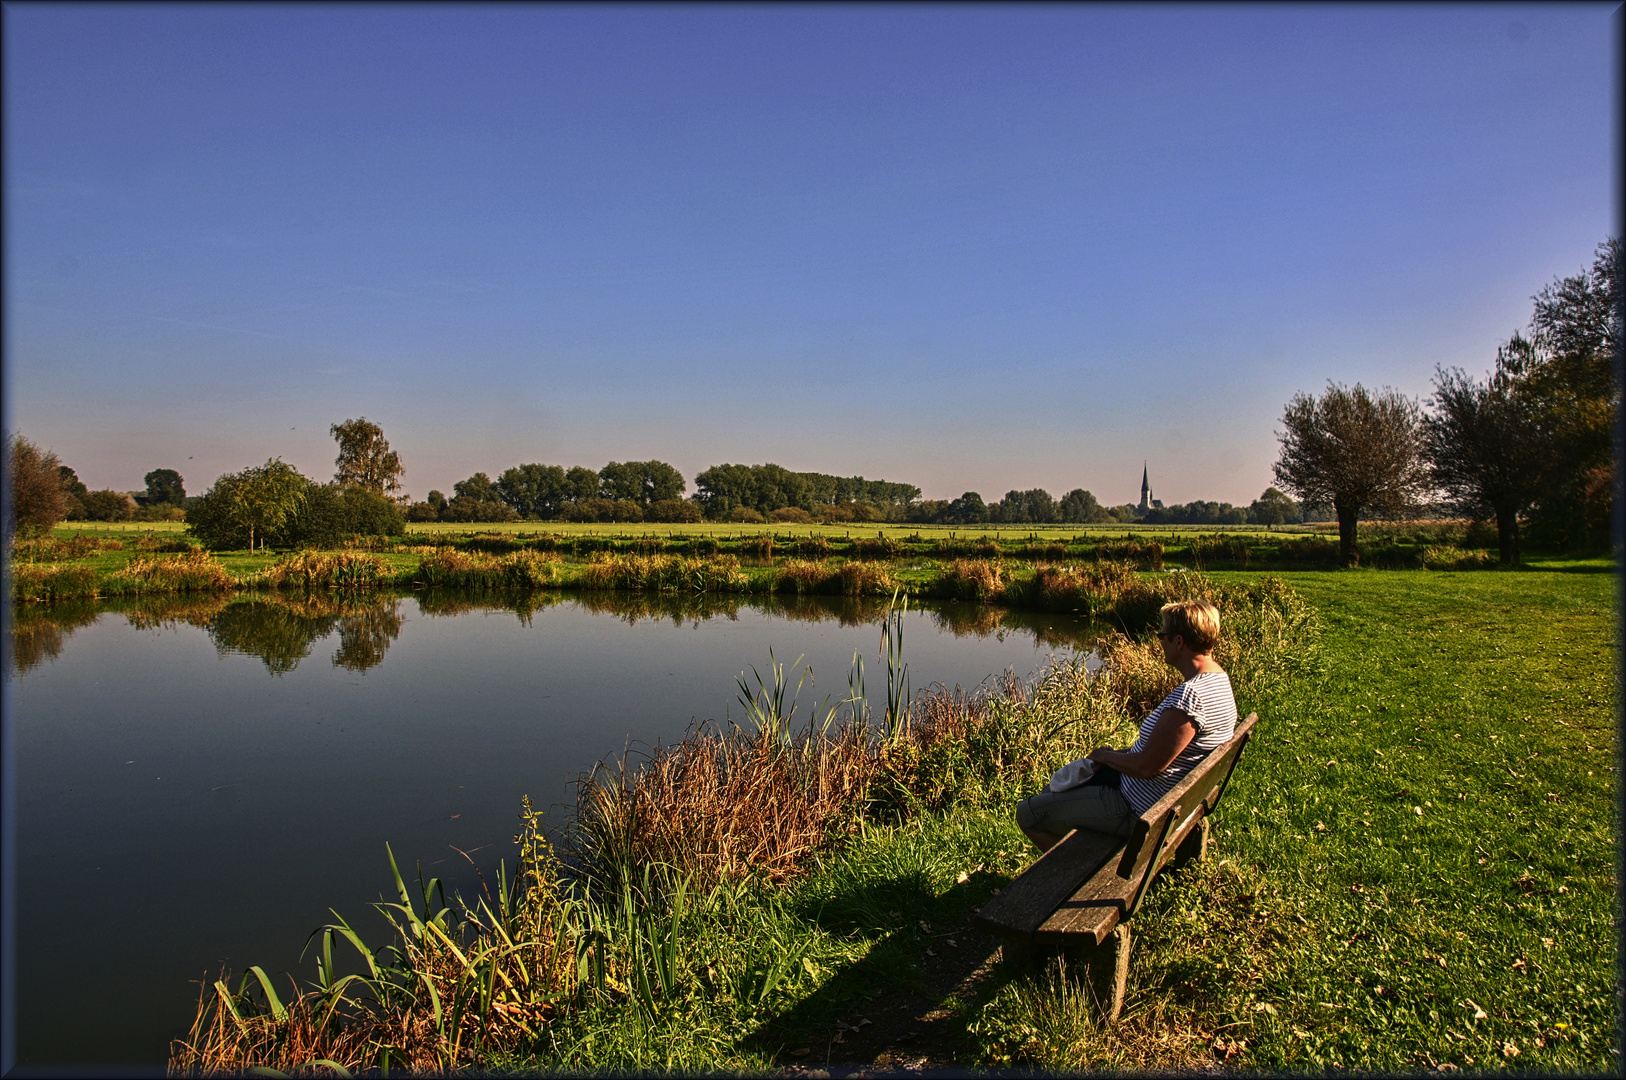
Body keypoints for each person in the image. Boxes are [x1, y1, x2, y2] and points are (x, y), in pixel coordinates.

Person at [1016, 599, 1238, 853]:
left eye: (1162, 635)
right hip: (1162, 802)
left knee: (1028, 813)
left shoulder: (1191, 698)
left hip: (1135, 810)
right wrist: (1116, 757)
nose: (1159, 641)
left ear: (1179, 642)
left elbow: (1148, 765)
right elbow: (1161, 755)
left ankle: (1075, 875)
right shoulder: (1218, 680)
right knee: (1054, 793)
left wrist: (1106, 756)